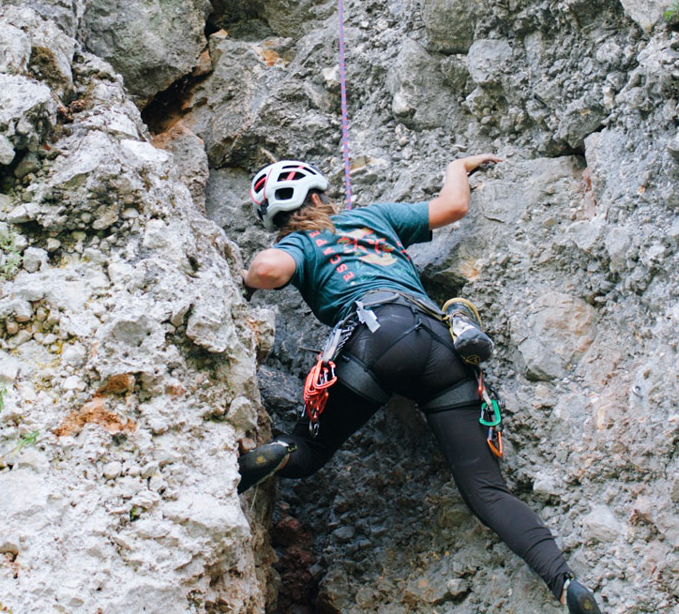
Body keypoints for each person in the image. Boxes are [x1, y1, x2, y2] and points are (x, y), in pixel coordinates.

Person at [238, 156, 603, 613]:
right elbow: (453, 207)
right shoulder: (374, 217)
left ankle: (282, 451)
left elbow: (269, 271)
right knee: (486, 491)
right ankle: (564, 581)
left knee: (311, 451)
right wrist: (458, 165)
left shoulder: (300, 244)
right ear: (318, 196)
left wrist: (246, 276)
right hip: (439, 345)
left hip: (374, 338)